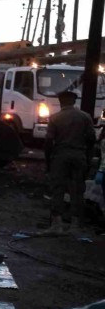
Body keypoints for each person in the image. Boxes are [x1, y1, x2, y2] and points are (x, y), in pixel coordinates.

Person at [44, 90, 96, 233]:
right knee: (77, 190)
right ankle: (75, 224)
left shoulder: (55, 118)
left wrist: (48, 162)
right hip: (79, 156)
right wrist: (87, 156)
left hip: (60, 156)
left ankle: (57, 224)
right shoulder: (85, 117)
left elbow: (48, 141)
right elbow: (92, 139)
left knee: (58, 189)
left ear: (60, 102)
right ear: (74, 101)